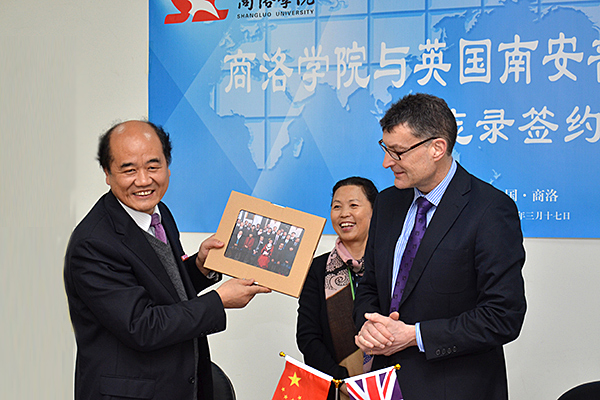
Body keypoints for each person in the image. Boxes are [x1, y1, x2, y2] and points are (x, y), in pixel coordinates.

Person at [63, 120, 270, 400]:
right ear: (107, 174)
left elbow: (158, 286)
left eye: (153, 166)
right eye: (129, 170)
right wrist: (219, 301)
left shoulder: (159, 213)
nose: (143, 180)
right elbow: (142, 326)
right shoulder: (92, 243)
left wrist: (199, 268)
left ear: (168, 167)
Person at [353, 93, 526, 400]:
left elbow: (503, 316)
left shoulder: (490, 210)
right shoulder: (388, 203)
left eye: (397, 152)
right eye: (385, 149)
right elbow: (369, 286)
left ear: (437, 148)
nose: (386, 162)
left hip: (455, 387)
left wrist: (415, 336)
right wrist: (369, 325)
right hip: (385, 384)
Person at [297, 177, 378, 400]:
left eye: (353, 205)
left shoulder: (391, 263)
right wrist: (341, 381)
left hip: (389, 384)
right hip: (336, 387)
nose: (344, 214)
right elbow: (308, 337)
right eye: (337, 207)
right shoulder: (317, 269)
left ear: (375, 211)